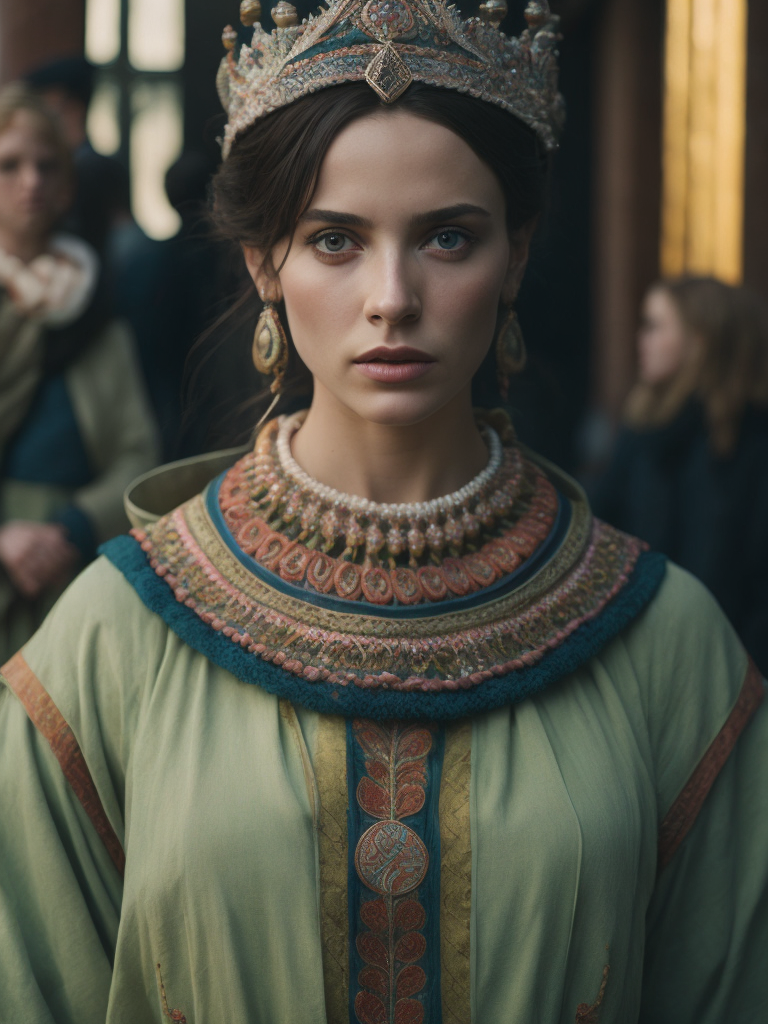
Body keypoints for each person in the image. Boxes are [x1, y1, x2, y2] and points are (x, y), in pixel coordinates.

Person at [1, 4, 766, 1023]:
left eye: (449, 237)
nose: (392, 297)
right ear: (264, 263)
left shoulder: (670, 646)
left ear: (516, 256)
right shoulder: (111, 640)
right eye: (335, 241)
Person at [0, 84, 159, 660]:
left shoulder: (96, 313)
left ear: (67, 185)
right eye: (9, 165)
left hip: (74, 580)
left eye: (47, 166)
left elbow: (138, 454)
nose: (31, 181)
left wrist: (68, 529)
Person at [592, 276, 768, 675]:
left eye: (654, 326)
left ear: (698, 340)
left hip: (731, 672)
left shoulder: (751, 444)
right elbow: (599, 532)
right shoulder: (642, 432)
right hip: (641, 664)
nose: (642, 339)